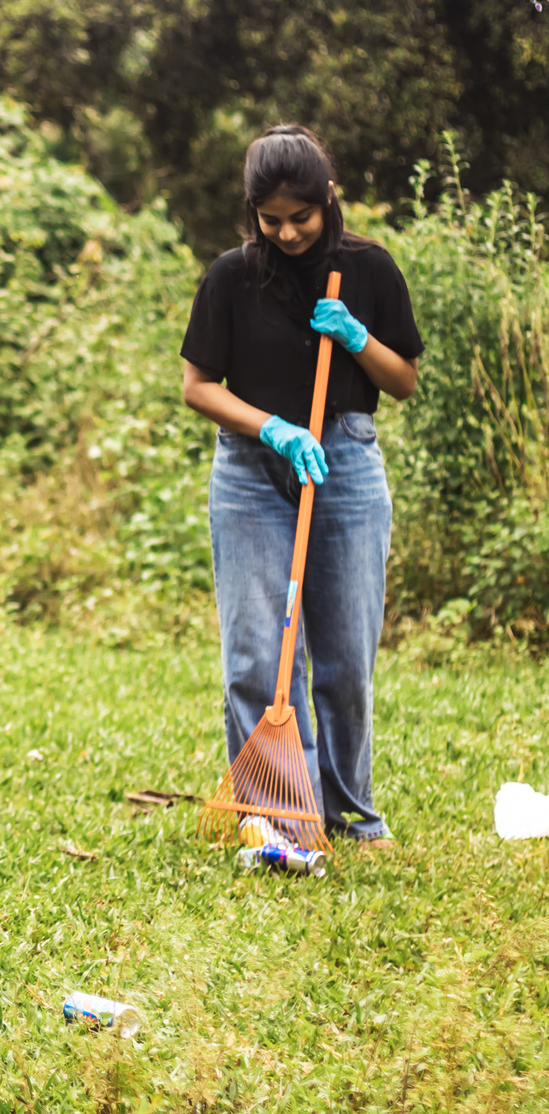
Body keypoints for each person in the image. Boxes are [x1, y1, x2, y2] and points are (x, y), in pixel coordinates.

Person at [180, 124, 422, 850]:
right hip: (251, 470)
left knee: (344, 657)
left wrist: (355, 338)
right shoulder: (230, 276)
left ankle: (349, 812)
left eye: (300, 217)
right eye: (269, 219)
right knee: (254, 651)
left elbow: (402, 380)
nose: (285, 233)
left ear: (327, 197)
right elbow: (197, 387)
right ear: (252, 210)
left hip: (343, 461)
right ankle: (273, 815)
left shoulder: (368, 269)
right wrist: (274, 428)